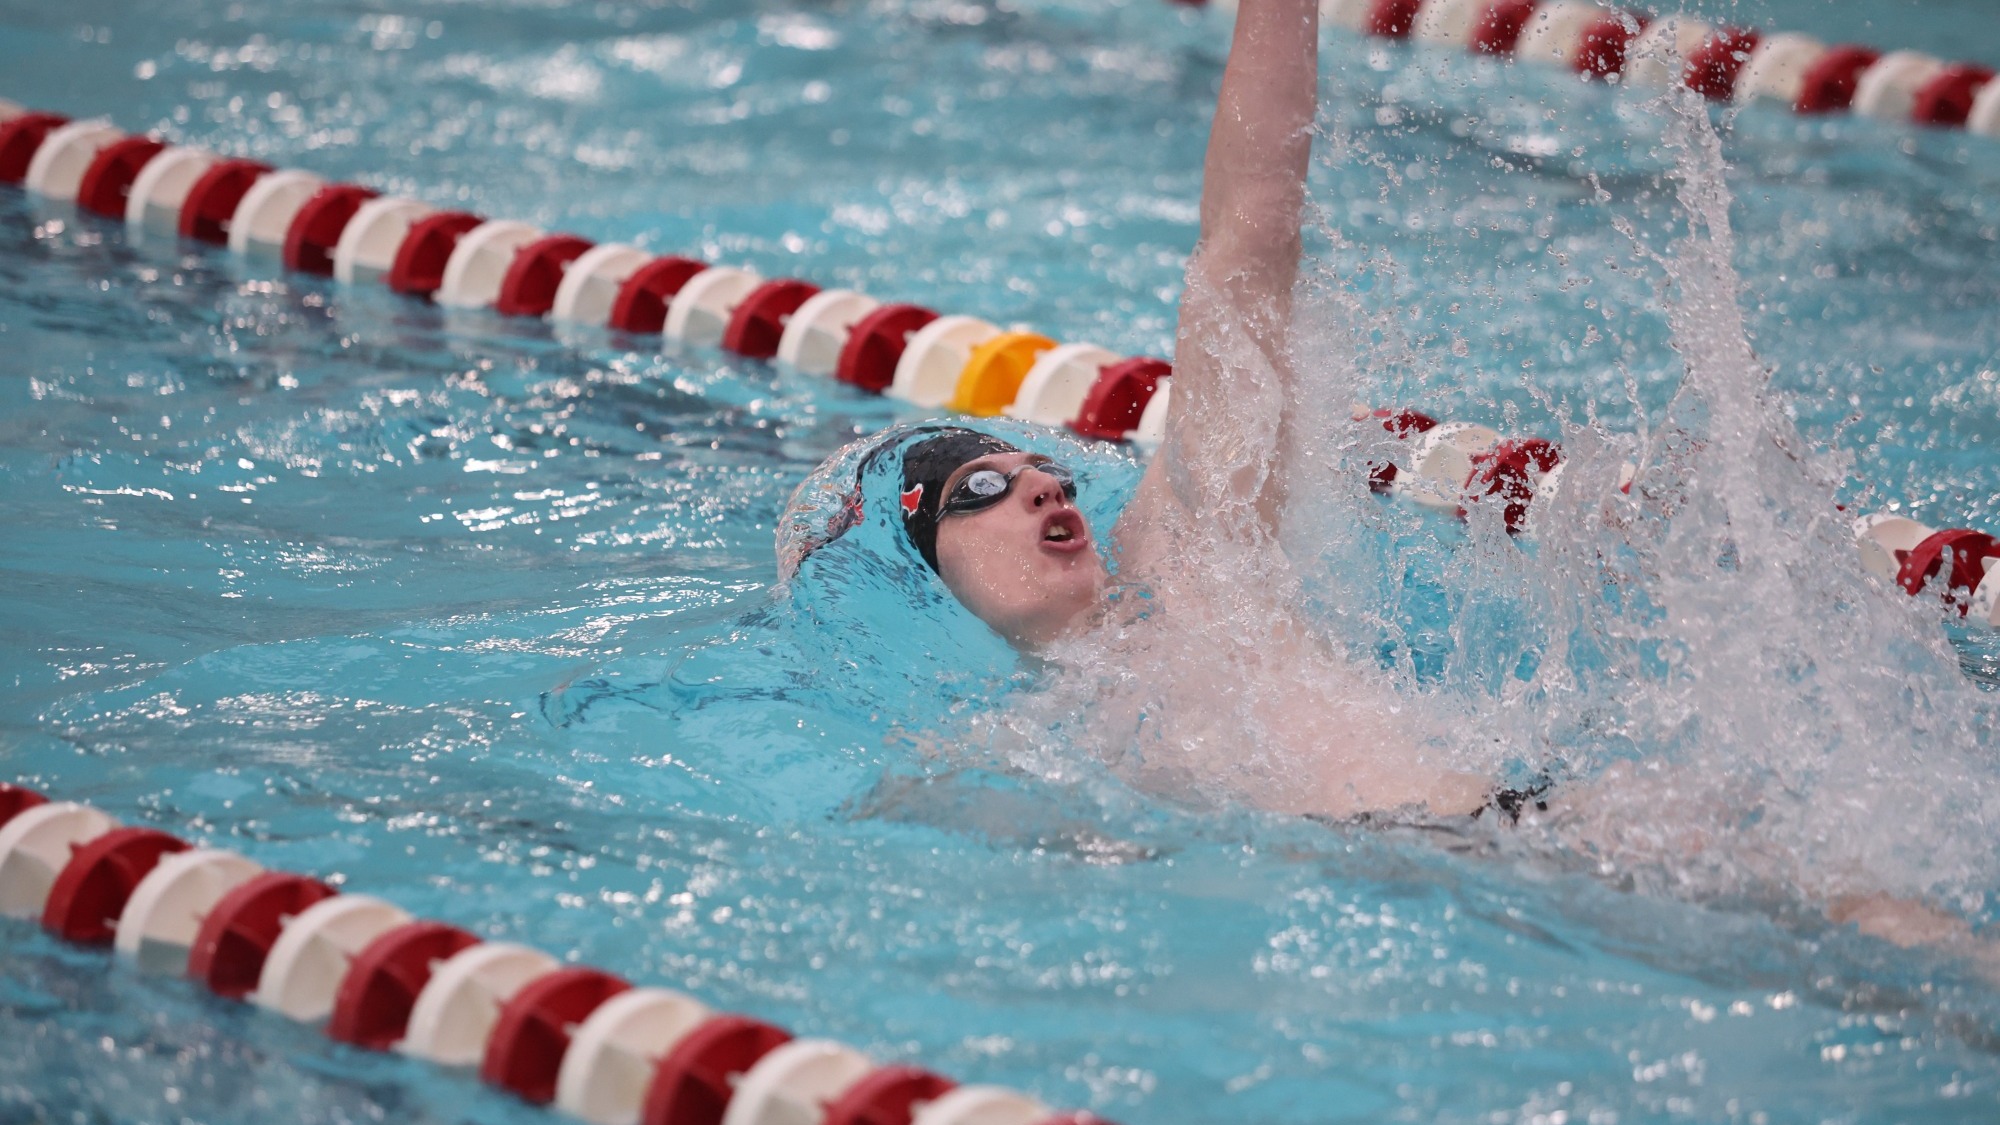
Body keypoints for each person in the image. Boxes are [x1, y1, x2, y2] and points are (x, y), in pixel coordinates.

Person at [776, 0, 1987, 957]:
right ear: (914, 579)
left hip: (1540, 835)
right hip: (1463, 901)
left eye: (1034, 467)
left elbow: (1246, 238)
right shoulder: (1003, 752)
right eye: (978, 495)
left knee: (1881, 929)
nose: (1039, 489)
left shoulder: (1189, 565)